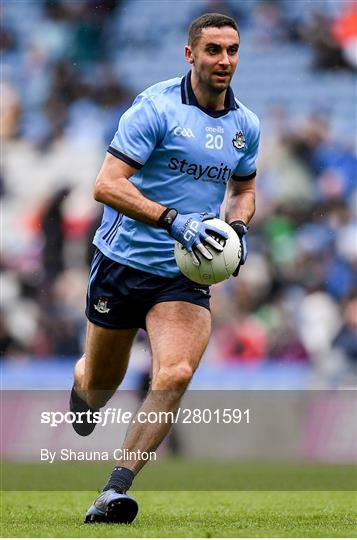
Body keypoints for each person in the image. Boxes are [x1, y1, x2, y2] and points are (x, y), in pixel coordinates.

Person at [70, 12, 260, 524]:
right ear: (190, 54)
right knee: (99, 387)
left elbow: (243, 191)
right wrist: (173, 221)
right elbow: (106, 184)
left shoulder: (246, 127)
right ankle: (83, 382)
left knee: (174, 372)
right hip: (123, 263)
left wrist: (236, 232)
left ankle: (113, 491)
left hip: (185, 273)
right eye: (214, 50)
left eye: (232, 50)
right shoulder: (154, 109)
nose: (224, 60)